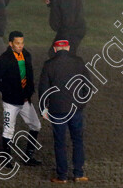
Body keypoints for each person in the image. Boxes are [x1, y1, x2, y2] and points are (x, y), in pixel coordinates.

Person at [39, 40, 91, 183]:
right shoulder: (78, 62)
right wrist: (81, 104)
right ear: (68, 48)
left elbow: (43, 89)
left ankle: (62, 176)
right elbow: (88, 86)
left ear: (55, 49)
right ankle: (79, 173)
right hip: (76, 109)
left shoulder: (49, 65)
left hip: (57, 110)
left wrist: (43, 108)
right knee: (78, 140)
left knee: (60, 142)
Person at [0, 31, 42, 166]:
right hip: (11, 102)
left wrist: (29, 92)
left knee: (36, 125)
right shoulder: (3, 60)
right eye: (17, 43)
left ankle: (28, 157)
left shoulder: (27, 55)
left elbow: (29, 76)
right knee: (8, 130)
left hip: (24, 100)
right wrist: (8, 91)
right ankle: (7, 159)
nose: (20, 46)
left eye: (22, 43)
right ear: (10, 43)